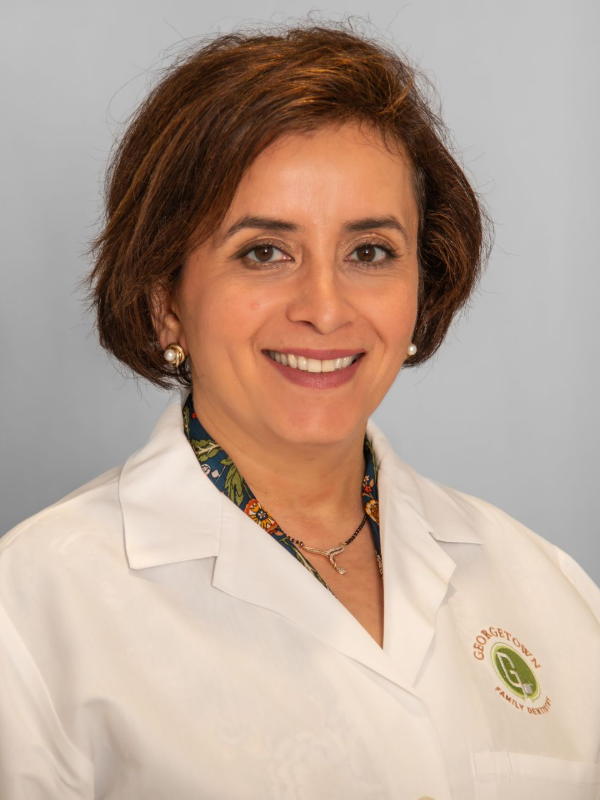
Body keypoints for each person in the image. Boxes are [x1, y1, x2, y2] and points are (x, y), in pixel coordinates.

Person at [0, 21, 599, 800]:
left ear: (423, 286)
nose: (325, 309)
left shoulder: (548, 589)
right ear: (165, 300)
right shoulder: (34, 611)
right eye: (263, 252)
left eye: (370, 252)